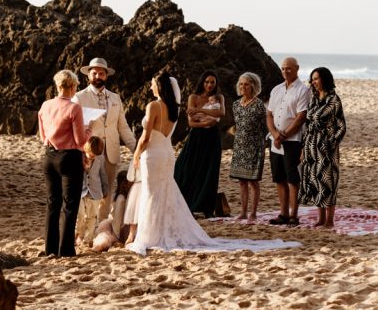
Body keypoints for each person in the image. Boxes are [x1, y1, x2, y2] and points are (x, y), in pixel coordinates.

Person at [126, 72, 301, 256]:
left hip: (153, 153)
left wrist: (137, 153)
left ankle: (149, 234)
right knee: (165, 191)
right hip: (167, 152)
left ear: (159, 86)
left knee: (152, 193)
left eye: (153, 83)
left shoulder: (153, 105)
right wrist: (205, 118)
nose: (151, 86)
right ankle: (161, 230)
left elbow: (145, 137)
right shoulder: (172, 108)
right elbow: (190, 123)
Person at [72, 57, 136, 223]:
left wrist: (136, 149)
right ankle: (83, 228)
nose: (97, 76)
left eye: (101, 73)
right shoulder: (79, 98)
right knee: (86, 191)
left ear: (106, 76)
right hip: (88, 152)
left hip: (111, 152)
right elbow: (74, 127)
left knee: (106, 192)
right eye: (94, 73)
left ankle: (100, 227)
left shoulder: (115, 98)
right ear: (88, 75)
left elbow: (123, 127)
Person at [38, 69, 90, 257]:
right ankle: (66, 249)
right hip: (69, 158)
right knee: (70, 204)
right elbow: (80, 141)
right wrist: (89, 131)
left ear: (58, 86)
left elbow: (43, 135)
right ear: (73, 86)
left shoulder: (45, 105)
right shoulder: (74, 108)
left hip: (49, 156)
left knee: (52, 203)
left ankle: (50, 249)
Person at [299, 67, 347, 228]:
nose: (313, 81)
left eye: (316, 78)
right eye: (312, 79)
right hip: (311, 146)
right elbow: (307, 124)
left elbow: (341, 126)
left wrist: (331, 143)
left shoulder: (334, 100)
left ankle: (330, 220)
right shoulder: (313, 99)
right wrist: (303, 148)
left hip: (327, 148)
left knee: (329, 182)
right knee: (315, 181)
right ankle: (320, 218)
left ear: (325, 79)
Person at [173, 70, 224, 217]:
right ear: (202, 82)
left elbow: (221, 113)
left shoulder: (218, 97)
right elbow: (191, 122)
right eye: (207, 82)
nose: (209, 85)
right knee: (186, 167)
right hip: (196, 137)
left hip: (212, 138)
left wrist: (200, 111)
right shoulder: (193, 97)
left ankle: (205, 206)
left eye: (212, 82)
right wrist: (207, 121)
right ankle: (185, 203)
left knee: (209, 170)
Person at [266, 57, 309, 226]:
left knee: (292, 178)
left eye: (289, 68)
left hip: (292, 141)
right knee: (279, 178)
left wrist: (282, 136)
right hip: (274, 140)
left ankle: (294, 215)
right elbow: (269, 114)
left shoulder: (302, 90)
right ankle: (283, 214)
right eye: (283, 68)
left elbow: (301, 117)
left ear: (297, 69)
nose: (285, 71)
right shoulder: (276, 89)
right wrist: (274, 134)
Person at [228, 72, 265, 222]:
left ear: (253, 86)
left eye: (247, 84)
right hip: (239, 146)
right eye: (241, 84)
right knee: (242, 181)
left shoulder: (259, 105)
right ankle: (243, 212)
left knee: (253, 181)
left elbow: (264, 128)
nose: (243, 87)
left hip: (254, 147)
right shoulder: (236, 105)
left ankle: (253, 213)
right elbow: (237, 126)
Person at [75, 136, 109, 248]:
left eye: (96, 155)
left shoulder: (100, 158)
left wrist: (105, 188)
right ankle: (78, 235)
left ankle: (88, 239)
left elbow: (102, 174)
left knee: (92, 216)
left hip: (95, 191)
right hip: (79, 190)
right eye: (91, 154)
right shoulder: (79, 156)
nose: (93, 156)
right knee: (79, 215)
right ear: (86, 149)